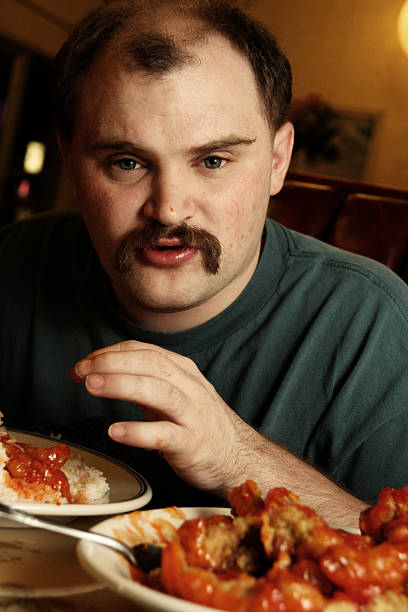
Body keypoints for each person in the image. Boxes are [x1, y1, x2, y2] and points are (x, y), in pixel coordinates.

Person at [1, 0, 407, 527]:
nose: (169, 207)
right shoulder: (12, 263)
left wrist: (237, 459)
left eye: (213, 161)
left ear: (278, 161)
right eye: (126, 162)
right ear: (72, 160)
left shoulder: (376, 327)